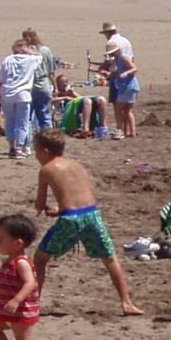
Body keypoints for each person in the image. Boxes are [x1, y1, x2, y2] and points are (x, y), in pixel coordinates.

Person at [32, 129, 143, 316]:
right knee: (110, 258)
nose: (35, 155)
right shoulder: (77, 165)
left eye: (36, 151)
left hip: (70, 219)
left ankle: (33, 303)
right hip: (92, 214)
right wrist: (60, 209)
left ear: (45, 151)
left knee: (40, 258)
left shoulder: (47, 169)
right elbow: (80, 198)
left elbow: (40, 204)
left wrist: (43, 209)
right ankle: (126, 303)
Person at [0, 37, 44, 159]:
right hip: (23, 94)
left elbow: (1, 79)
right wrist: (30, 52)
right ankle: (19, 148)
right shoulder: (31, 59)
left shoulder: (8, 59)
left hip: (7, 92)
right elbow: (41, 56)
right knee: (22, 122)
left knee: (10, 120)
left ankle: (12, 146)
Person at [51, 73, 108, 138]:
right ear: (58, 83)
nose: (65, 84)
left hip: (77, 106)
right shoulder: (55, 91)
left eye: (66, 82)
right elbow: (51, 100)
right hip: (67, 107)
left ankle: (104, 127)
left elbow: (79, 97)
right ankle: (85, 129)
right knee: (87, 100)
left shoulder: (69, 91)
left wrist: (71, 94)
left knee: (101, 99)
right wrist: (65, 97)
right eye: (63, 82)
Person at [24, 27, 57, 131]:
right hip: (43, 85)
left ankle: (26, 143)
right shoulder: (46, 50)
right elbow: (51, 72)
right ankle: (48, 138)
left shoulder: (25, 52)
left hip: (29, 85)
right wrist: (55, 87)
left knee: (27, 116)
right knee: (45, 115)